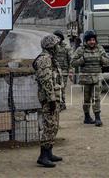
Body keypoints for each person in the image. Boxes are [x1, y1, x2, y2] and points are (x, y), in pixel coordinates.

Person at [33, 34, 64, 168]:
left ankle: (49, 152)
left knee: (53, 125)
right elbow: (46, 80)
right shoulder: (45, 59)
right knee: (49, 125)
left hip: (53, 97)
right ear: (51, 46)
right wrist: (51, 99)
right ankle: (43, 156)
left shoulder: (50, 58)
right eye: (57, 45)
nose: (58, 47)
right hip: (48, 99)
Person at [72, 30, 109, 127]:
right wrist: (82, 60)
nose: (92, 42)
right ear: (86, 41)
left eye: (93, 40)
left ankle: (97, 118)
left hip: (97, 78)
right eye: (90, 40)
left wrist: (102, 59)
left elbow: (108, 62)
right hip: (85, 79)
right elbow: (73, 62)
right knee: (86, 99)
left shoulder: (100, 49)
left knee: (96, 98)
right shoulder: (81, 50)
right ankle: (87, 117)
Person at [53, 30, 73, 111]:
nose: (57, 39)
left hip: (64, 71)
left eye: (59, 37)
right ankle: (57, 103)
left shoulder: (66, 47)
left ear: (61, 38)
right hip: (55, 71)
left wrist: (71, 71)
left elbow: (70, 60)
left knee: (62, 87)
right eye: (56, 37)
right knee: (55, 87)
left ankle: (62, 103)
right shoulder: (52, 47)